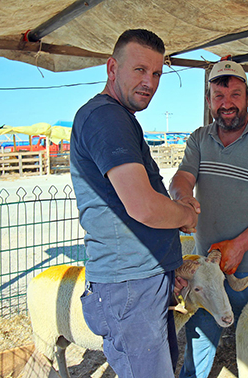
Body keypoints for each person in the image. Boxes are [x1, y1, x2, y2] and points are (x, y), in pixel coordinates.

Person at [69, 29, 198, 378]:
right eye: (140, 70)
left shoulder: (120, 118)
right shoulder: (105, 117)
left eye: (156, 73)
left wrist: (163, 267)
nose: (150, 82)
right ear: (112, 68)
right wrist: (186, 215)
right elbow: (143, 206)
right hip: (130, 286)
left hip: (140, 280)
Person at [169, 59, 248, 378]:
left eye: (235, 95)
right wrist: (183, 197)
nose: (226, 104)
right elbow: (182, 177)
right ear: (209, 100)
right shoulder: (199, 139)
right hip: (209, 273)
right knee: (198, 346)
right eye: (218, 96)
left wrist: (240, 246)